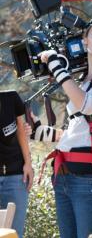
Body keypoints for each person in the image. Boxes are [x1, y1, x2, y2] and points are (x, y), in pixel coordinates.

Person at [38, 14, 92, 238]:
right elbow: (80, 131)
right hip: (65, 174)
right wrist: (42, 132)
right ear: (84, 40)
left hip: (90, 177)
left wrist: (59, 69)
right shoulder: (84, 80)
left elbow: (87, 105)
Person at [0, 90, 34, 237]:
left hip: (16, 177)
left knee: (14, 234)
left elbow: (21, 129)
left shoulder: (11, 98)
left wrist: (28, 163)